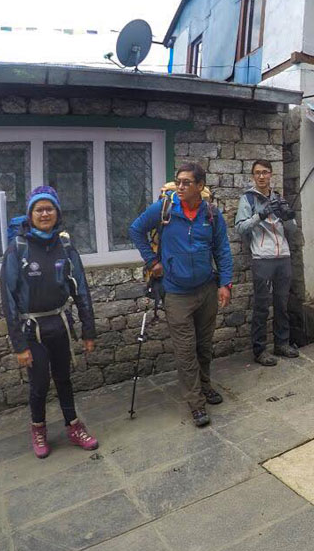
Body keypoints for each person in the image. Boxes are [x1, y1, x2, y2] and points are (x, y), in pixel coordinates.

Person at [129, 162, 233, 427]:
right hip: (176, 292)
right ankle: (195, 402)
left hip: (207, 289)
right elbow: (135, 229)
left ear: (200, 186)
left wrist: (225, 283)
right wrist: (152, 262)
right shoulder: (164, 209)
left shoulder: (211, 213)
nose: (181, 187)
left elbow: (221, 249)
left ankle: (205, 386)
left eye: (187, 182)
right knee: (186, 350)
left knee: (204, 346)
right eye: (178, 181)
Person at [0, 186, 98, 458]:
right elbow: (7, 299)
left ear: (57, 212)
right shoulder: (17, 249)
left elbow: (81, 289)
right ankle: (38, 429)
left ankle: (73, 426)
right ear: (30, 214)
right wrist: (19, 345)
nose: (45, 213)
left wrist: (88, 330)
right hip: (32, 330)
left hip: (60, 325)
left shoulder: (65, 246)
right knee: (40, 383)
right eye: (39, 209)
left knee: (65, 379)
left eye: (49, 208)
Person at [234, 160, 300, 366]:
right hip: (262, 258)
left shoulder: (279, 198)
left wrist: (288, 217)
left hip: (283, 257)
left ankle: (282, 343)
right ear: (253, 176)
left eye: (265, 172)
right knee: (262, 306)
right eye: (257, 173)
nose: (261, 176)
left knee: (281, 303)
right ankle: (260, 350)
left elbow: (292, 230)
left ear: (271, 175)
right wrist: (260, 215)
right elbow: (240, 228)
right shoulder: (248, 199)